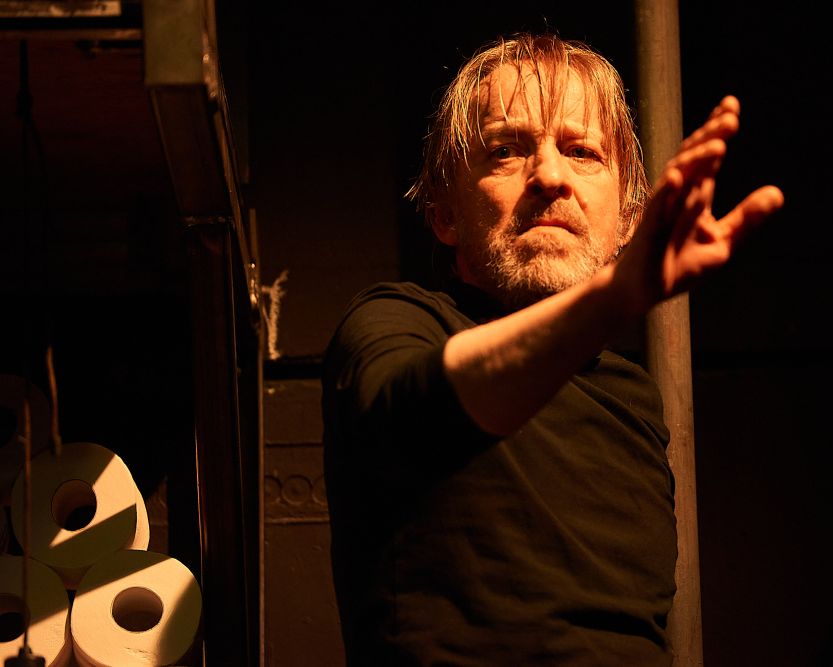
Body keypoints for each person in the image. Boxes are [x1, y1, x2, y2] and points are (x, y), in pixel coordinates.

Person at [323, 33, 783, 665]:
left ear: (628, 216)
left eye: (582, 151)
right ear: (443, 211)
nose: (550, 176)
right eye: (505, 151)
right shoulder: (397, 320)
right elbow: (411, 414)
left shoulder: (633, 399)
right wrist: (615, 297)